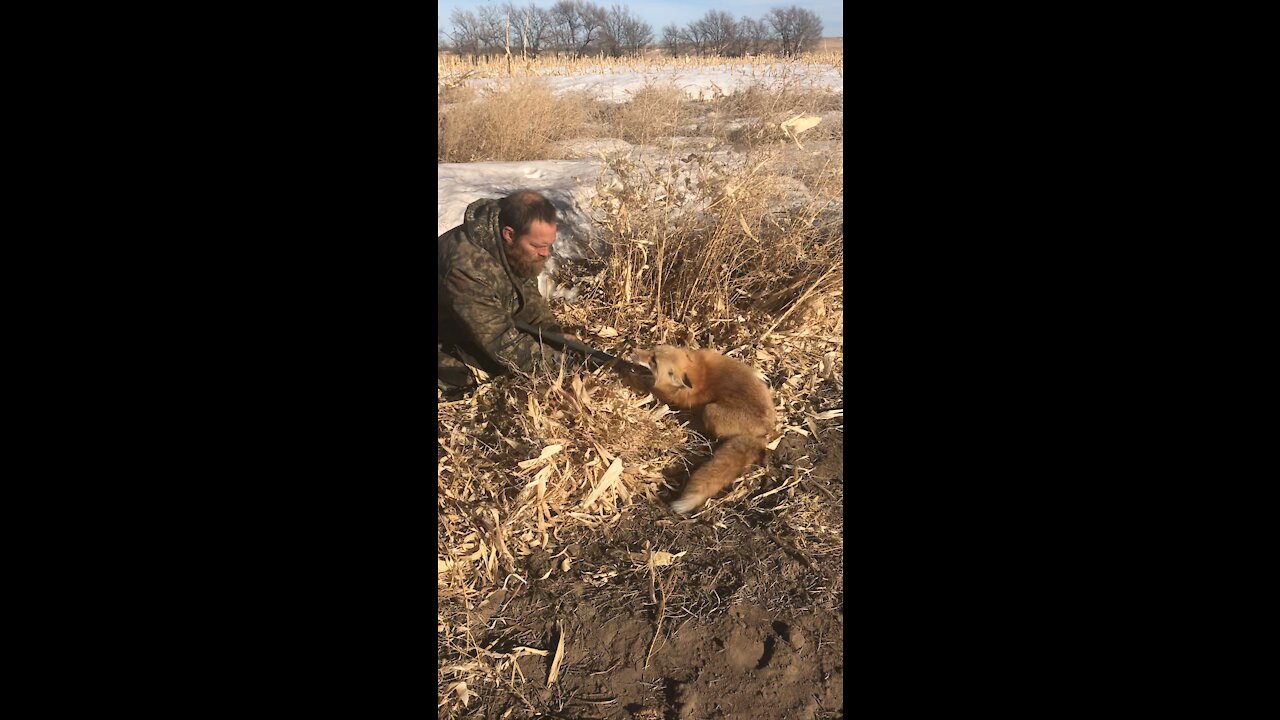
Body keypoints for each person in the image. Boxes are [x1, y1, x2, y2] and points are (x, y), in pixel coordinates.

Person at [438, 190, 578, 391]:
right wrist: (564, 366)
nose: (546, 254)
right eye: (539, 246)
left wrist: (553, 335)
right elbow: (500, 342)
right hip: (445, 337)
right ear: (509, 234)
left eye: (549, 245)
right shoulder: (465, 267)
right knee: (480, 373)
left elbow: (528, 300)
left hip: (471, 324)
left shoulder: (513, 244)